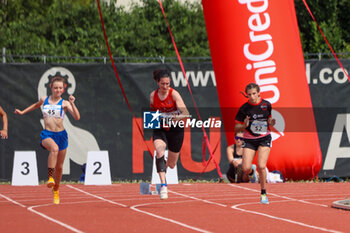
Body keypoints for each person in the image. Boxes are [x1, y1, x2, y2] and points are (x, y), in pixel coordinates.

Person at [14, 76, 80, 204]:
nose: (58, 90)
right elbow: (35, 105)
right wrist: (23, 112)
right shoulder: (45, 100)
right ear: (51, 87)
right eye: (55, 88)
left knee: (60, 167)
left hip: (61, 135)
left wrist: (72, 103)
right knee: (54, 148)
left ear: (63, 89)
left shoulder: (65, 103)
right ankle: (50, 178)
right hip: (47, 134)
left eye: (60, 88)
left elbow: (77, 117)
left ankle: (56, 190)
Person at [150, 69, 189, 200]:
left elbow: (185, 114)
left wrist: (171, 120)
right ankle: (163, 185)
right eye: (163, 84)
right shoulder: (153, 96)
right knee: (159, 150)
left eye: (167, 83)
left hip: (175, 129)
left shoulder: (174, 94)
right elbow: (152, 115)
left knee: (172, 164)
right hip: (160, 129)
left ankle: (163, 166)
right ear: (157, 82)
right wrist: (158, 121)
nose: (165, 86)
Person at [235, 83, 275, 204]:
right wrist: (244, 125)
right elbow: (237, 127)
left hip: (264, 138)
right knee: (246, 169)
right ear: (246, 95)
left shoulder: (266, 105)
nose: (252, 97)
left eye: (254, 94)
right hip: (249, 139)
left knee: (262, 166)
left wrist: (271, 123)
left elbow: (269, 121)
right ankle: (252, 172)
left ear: (258, 93)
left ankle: (263, 193)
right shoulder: (244, 109)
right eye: (249, 94)